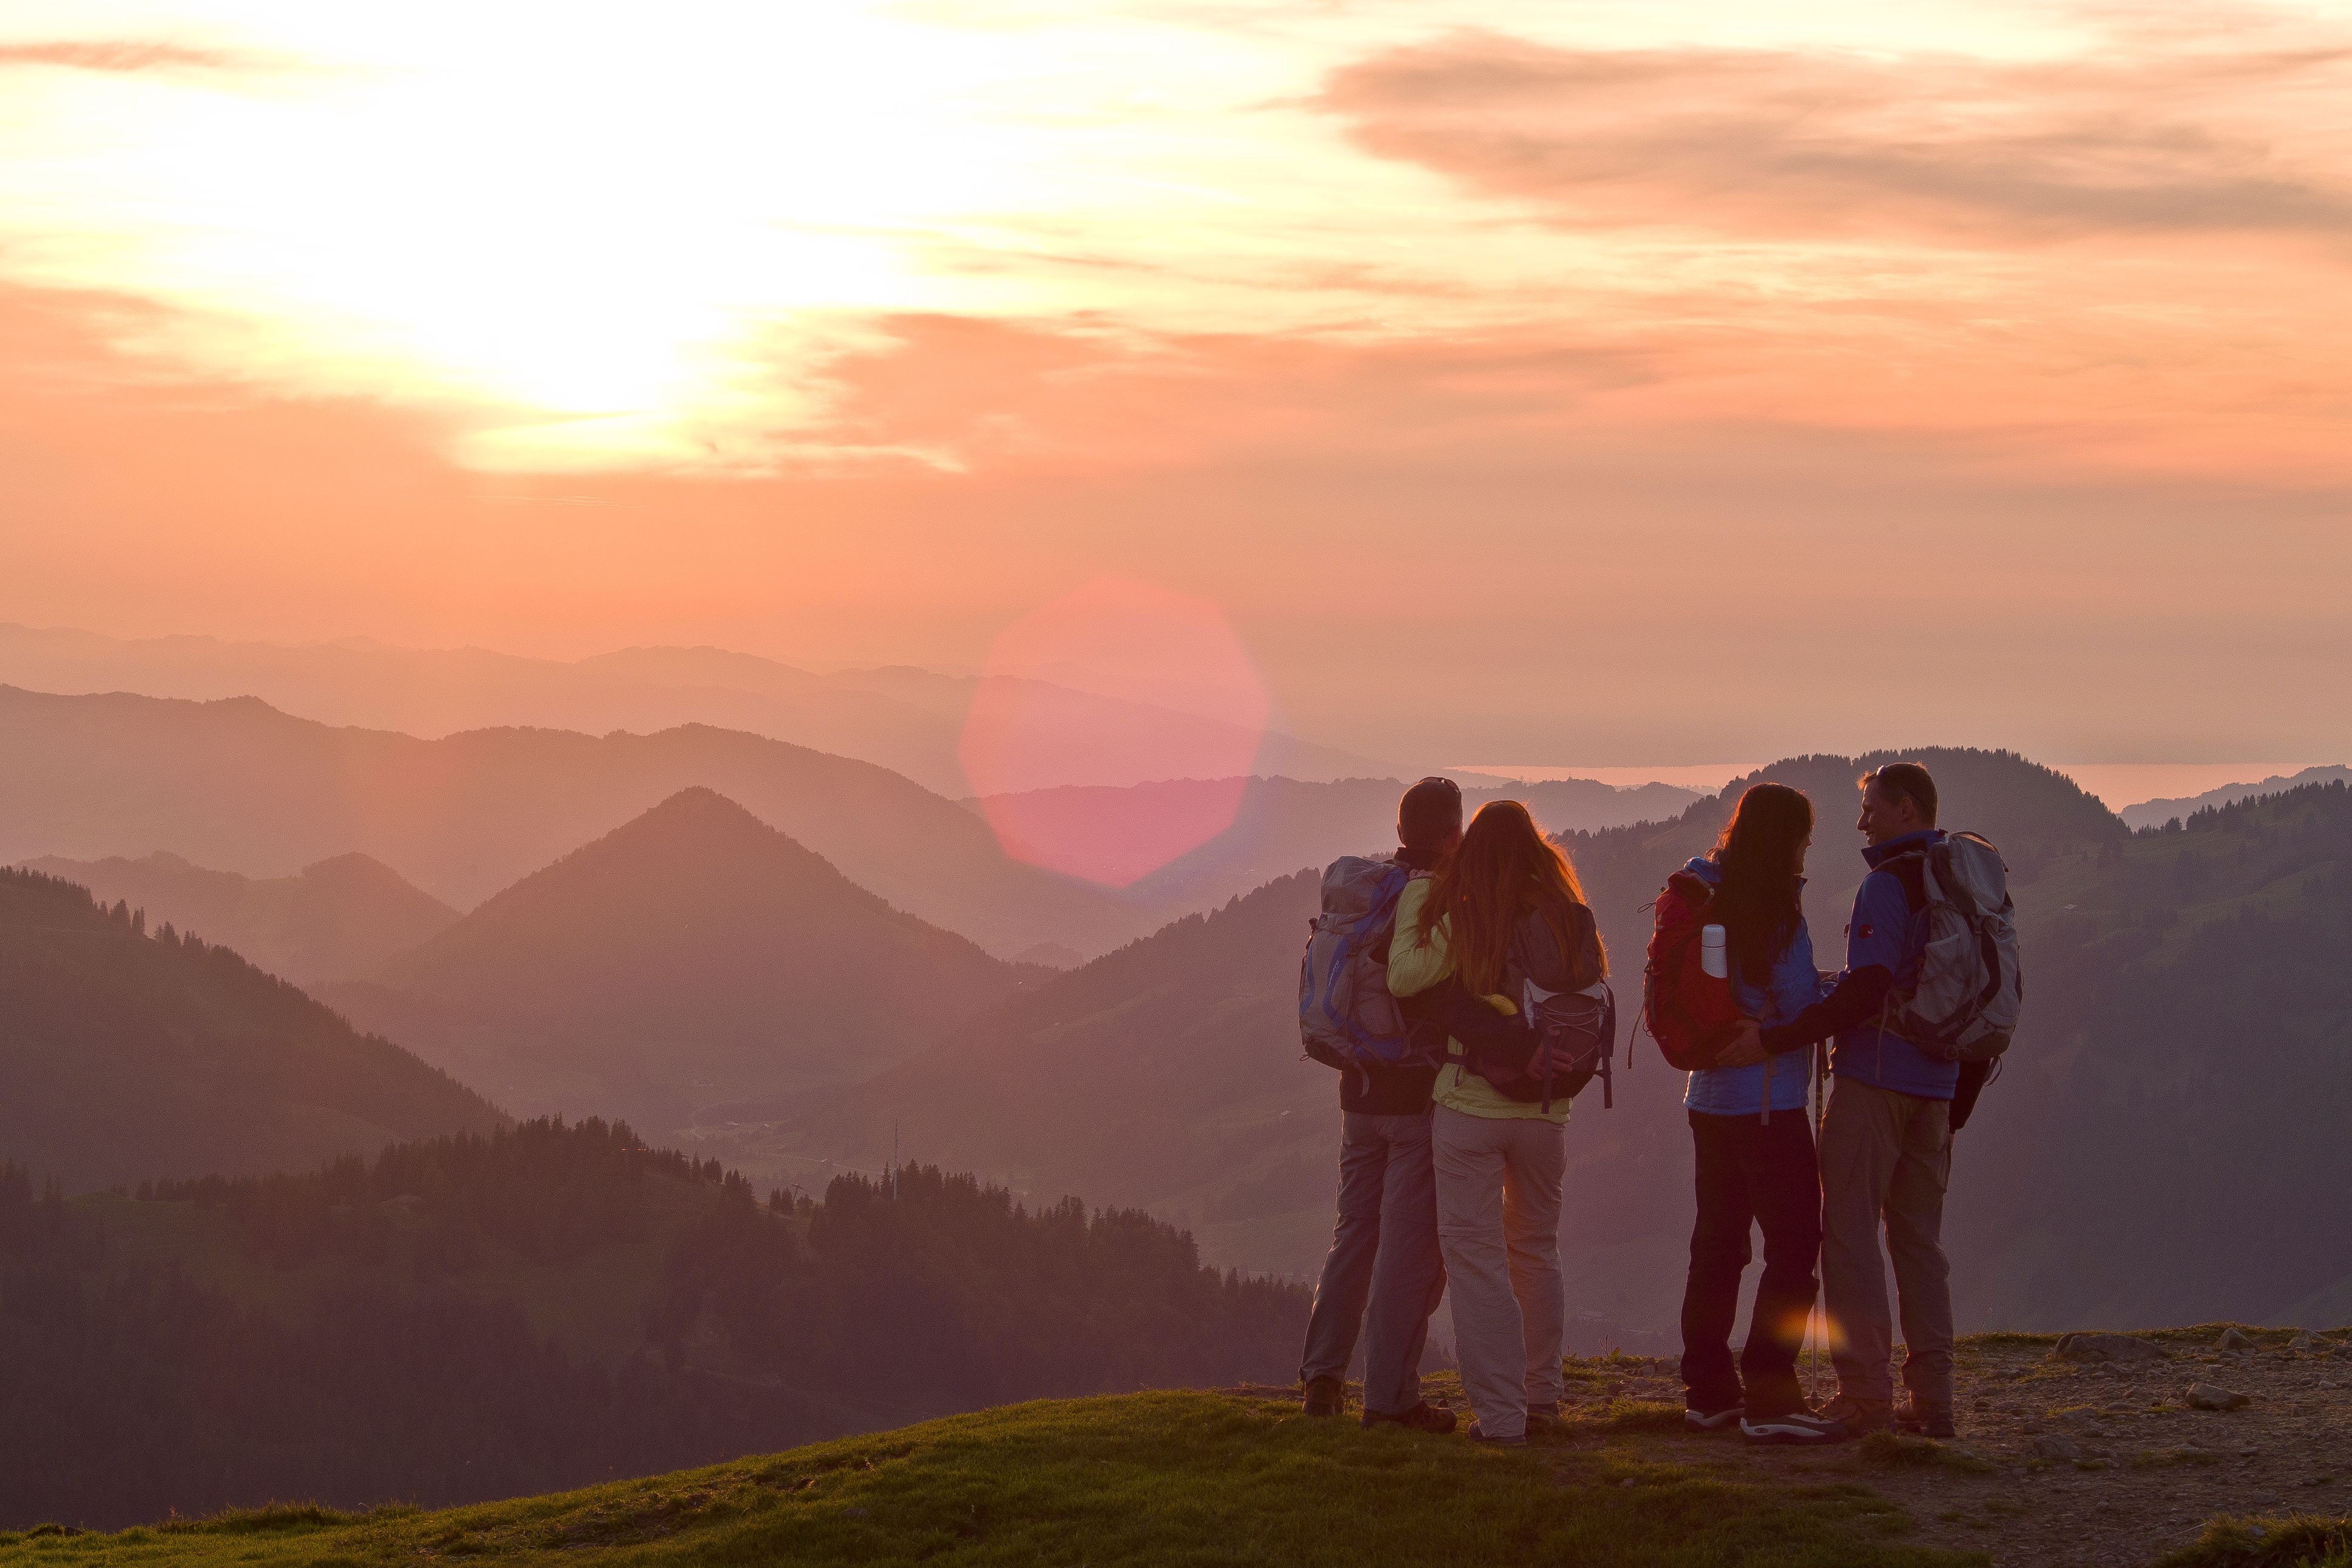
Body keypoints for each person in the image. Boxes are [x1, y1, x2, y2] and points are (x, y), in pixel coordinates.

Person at [1721, 762, 1956, 1438]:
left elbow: (1871, 986)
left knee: (1851, 1236)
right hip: (1937, 1086)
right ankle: (1933, 1398)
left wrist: (1781, 1036)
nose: (1862, 823)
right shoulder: (1957, 883)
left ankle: (1865, 1396)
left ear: (1905, 808)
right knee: (1919, 1241)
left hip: (1877, 1078)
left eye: (1871, 808)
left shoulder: (1888, 884)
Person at [1386, 800, 1601, 1446]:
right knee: (1537, 1251)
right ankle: (1544, 1399)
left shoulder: (1466, 912)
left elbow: (1414, 985)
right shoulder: (1572, 918)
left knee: (1476, 1260)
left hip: (1471, 1106)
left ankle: (1503, 1417)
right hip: (1547, 1109)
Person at [1668, 783, 1846, 1445]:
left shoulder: (1707, 894)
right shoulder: (1777, 911)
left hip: (1707, 1097)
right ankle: (1771, 1393)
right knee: (1796, 1243)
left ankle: (1709, 1390)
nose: (1806, 851)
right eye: (1802, 838)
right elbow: (1795, 1005)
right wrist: (1841, 990)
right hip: (1768, 1104)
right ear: (1785, 840)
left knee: (1717, 1244)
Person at [1295, 777, 1465, 1434]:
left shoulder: (1364, 892)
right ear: (1450, 833)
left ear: (1400, 834)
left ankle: (1323, 1378)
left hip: (1356, 1093)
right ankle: (1392, 1398)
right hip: (1412, 1097)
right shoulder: (1429, 901)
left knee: (1353, 1234)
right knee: (1406, 1248)